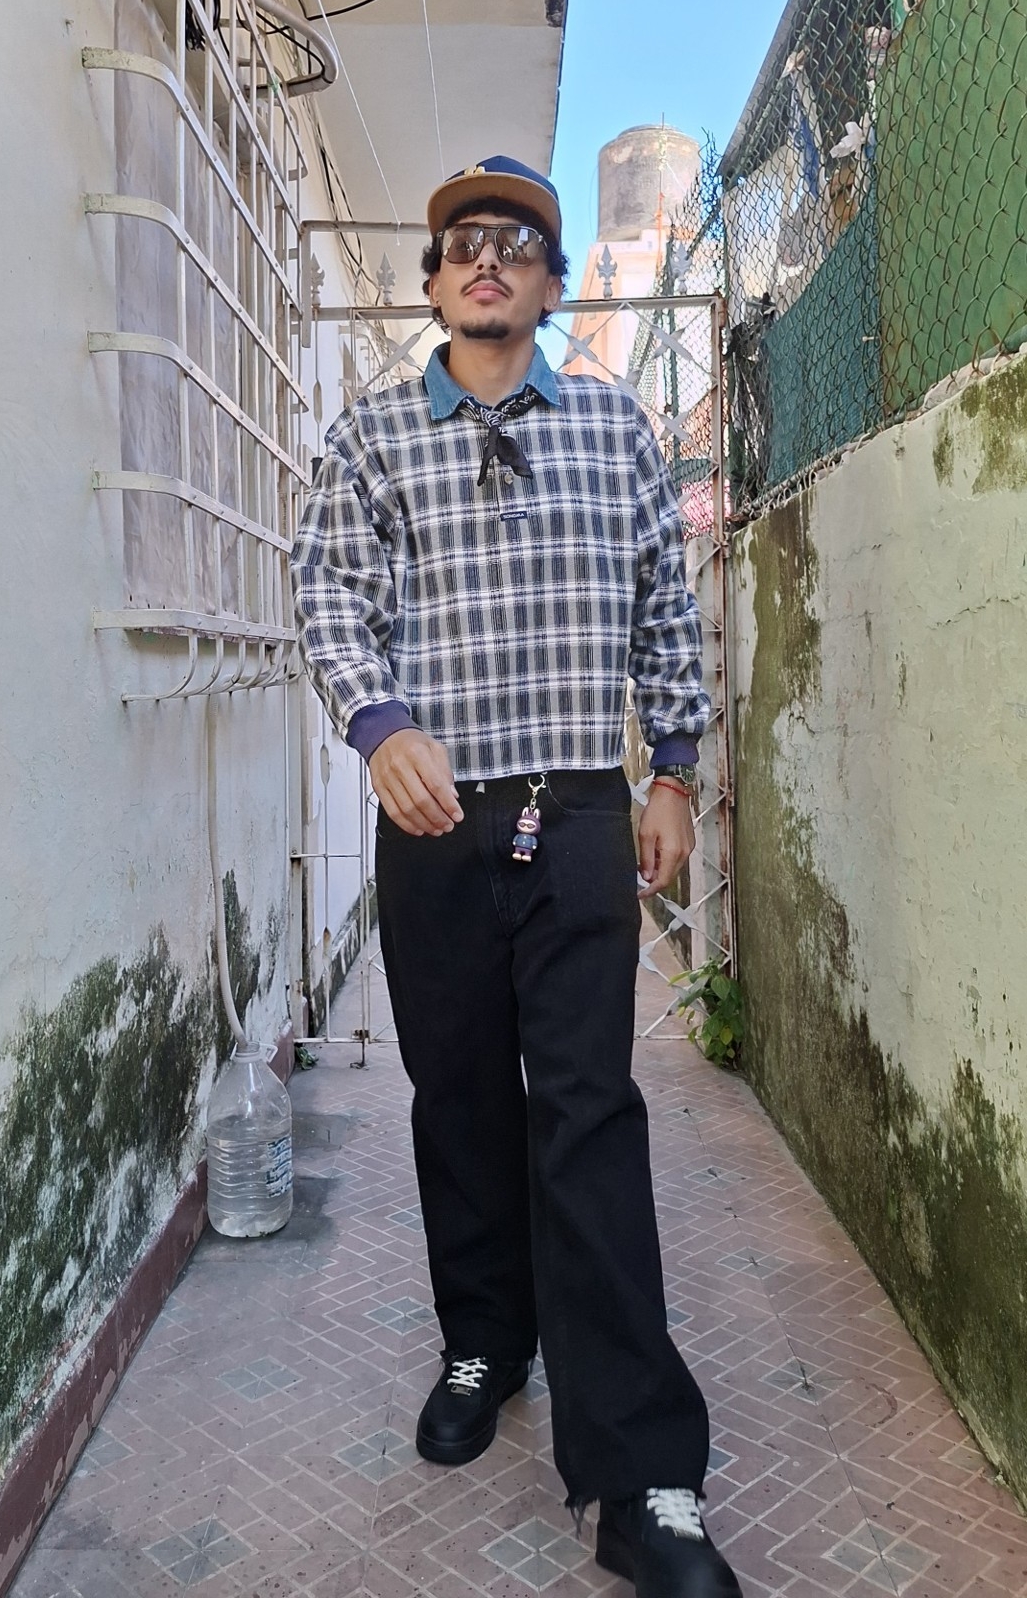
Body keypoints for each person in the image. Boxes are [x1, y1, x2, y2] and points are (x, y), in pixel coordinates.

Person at [291, 157, 741, 1597]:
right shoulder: (372, 438)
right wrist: (378, 722)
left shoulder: (614, 429)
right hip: (434, 827)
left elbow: (664, 605)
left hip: (579, 814)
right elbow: (327, 591)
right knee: (460, 1095)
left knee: (588, 1112)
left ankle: (643, 1474)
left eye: (518, 242)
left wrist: (671, 769)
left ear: (548, 284)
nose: (487, 259)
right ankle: (485, 1339)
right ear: (434, 283)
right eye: (462, 244)